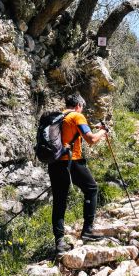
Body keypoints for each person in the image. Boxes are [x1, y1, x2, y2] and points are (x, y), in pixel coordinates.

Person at [49, 92, 109, 255]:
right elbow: (91, 140)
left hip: (54, 163)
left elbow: (70, 133)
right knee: (91, 189)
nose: (81, 111)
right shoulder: (77, 116)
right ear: (78, 106)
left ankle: (59, 243)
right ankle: (87, 231)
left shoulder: (58, 117)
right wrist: (103, 132)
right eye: (81, 108)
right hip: (72, 161)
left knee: (59, 200)